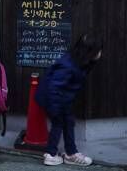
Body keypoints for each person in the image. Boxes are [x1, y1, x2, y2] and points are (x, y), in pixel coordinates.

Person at [35, 35, 103, 167]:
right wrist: (55, 109)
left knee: (68, 122)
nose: (100, 53)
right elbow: (53, 87)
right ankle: (50, 155)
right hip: (53, 99)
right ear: (90, 51)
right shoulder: (68, 65)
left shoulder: (80, 60)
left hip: (62, 99)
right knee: (59, 123)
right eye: (98, 50)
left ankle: (71, 153)